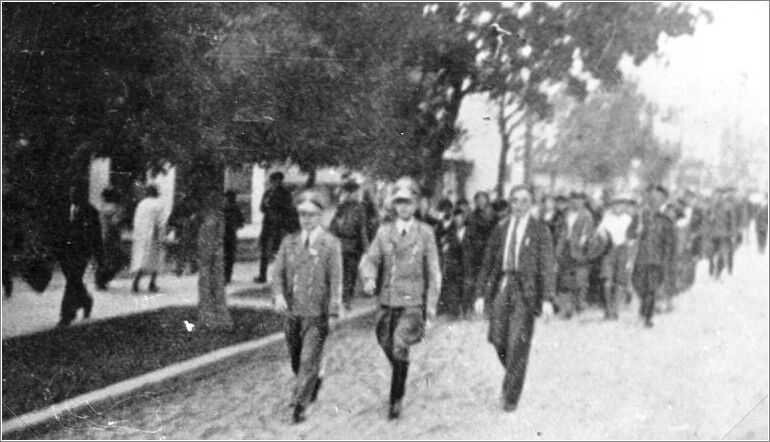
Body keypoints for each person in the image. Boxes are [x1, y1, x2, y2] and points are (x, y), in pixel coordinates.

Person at [360, 177, 441, 420]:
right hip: (387, 300)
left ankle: (396, 399)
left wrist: (431, 309)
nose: (403, 207)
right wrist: (369, 278)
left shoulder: (425, 233)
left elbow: (434, 272)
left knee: (399, 345)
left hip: (412, 304)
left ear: (416, 204)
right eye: (399, 203)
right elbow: (371, 259)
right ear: (394, 205)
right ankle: (401, 371)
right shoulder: (384, 232)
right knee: (386, 343)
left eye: (408, 202)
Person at [475, 184, 555, 412]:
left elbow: (548, 265)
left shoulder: (540, 230)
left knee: (518, 342)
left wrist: (547, 298)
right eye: (515, 201)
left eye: (524, 201)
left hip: (525, 291)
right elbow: (488, 262)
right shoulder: (500, 228)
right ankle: (512, 374)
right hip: (503, 286)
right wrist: (480, 294)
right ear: (510, 203)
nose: (519, 205)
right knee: (497, 338)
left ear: (531, 203)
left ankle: (511, 395)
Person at [272, 189, 344, 424]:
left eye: (311, 215)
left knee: (307, 359)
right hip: (293, 312)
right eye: (302, 214)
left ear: (321, 216)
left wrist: (333, 311)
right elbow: (278, 273)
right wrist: (278, 295)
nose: (306, 219)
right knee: (296, 358)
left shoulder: (330, 244)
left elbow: (336, 280)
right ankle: (313, 379)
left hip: (317, 313)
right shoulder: (289, 242)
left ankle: (300, 405)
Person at [53, 184, 102, 326]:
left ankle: (67, 315)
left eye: (76, 193)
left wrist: (99, 257)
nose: (72, 196)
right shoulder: (63, 209)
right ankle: (86, 301)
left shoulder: (91, 211)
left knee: (72, 281)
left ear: (83, 195)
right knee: (74, 280)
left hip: (82, 252)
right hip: (64, 252)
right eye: (71, 192)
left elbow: (96, 235)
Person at [631, 185, 676, 328]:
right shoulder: (641, 217)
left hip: (657, 260)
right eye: (652, 198)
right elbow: (630, 234)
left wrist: (667, 261)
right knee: (638, 286)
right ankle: (643, 309)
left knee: (651, 288)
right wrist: (635, 230)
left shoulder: (666, 221)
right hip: (640, 257)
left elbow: (669, 243)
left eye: (658, 199)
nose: (654, 201)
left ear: (663, 201)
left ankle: (647, 316)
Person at [329, 180, 369, 310]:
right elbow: (333, 226)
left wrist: (366, 247)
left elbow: (362, 229)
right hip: (344, 245)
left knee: (349, 274)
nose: (357, 195)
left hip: (352, 246)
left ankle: (347, 300)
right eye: (355, 192)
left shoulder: (358, 208)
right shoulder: (343, 207)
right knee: (343, 273)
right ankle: (343, 299)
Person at [555, 192, 595, 318]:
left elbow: (588, 233)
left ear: (583, 201)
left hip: (579, 250)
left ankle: (578, 303)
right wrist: (559, 246)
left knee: (579, 280)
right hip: (566, 248)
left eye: (579, 199)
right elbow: (560, 229)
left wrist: (583, 245)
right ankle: (566, 309)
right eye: (574, 199)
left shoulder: (587, 215)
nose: (576, 202)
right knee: (565, 280)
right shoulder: (567, 213)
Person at [256, 171, 298, 283]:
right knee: (265, 251)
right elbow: (262, 208)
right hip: (268, 225)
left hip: (280, 226)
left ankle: (283, 277)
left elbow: (288, 209)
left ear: (280, 181)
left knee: (281, 252)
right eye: (273, 181)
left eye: (277, 180)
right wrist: (266, 205)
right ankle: (262, 275)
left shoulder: (285, 193)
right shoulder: (268, 193)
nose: (274, 183)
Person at [597, 196, 634, 320]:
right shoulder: (607, 218)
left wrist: (629, 249)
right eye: (615, 204)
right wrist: (604, 238)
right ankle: (608, 308)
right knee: (607, 280)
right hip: (609, 250)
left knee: (620, 281)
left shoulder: (628, 219)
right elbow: (599, 232)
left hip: (623, 250)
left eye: (621, 204)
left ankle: (615, 309)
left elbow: (634, 237)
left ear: (624, 206)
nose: (618, 207)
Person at [463, 191, 496, 316]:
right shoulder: (471, 217)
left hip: (487, 253)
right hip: (474, 254)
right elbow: (468, 237)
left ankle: (487, 308)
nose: (481, 202)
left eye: (483, 199)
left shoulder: (492, 216)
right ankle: (469, 309)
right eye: (478, 200)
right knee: (471, 281)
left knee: (487, 281)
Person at [130, 184, 166, 293]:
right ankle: (152, 283)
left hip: (141, 236)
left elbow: (136, 221)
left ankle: (136, 282)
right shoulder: (159, 204)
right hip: (153, 236)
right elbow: (161, 222)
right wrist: (162, 236)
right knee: (155, 259)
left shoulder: (141, 204)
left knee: (141, 258)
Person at [95, 187, 128, 290]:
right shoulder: (114, 208)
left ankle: (101, 280)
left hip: (102, 235)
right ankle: (103, 280)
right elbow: (115, 222)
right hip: (111, 236)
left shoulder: (102, 207)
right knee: (118, 260)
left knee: (106, 259)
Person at [437, 208, 467, 318]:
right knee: (451, 290)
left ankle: (463, 311)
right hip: (453, 267)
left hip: (466, 266)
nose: (458, 220)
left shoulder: (469, 232)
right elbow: (444, 249)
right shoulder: (449, 234)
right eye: (456, 218)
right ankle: (452, 312)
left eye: (460, 218)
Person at [224, 190, 245, 284]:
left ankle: (225, 276)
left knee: (225, 256)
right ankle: (227, 276)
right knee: (229, 257)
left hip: (225, 234)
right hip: (231, 234)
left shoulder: (223, 207)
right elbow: (241, 222)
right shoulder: (236, 208)